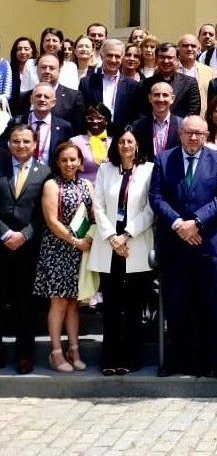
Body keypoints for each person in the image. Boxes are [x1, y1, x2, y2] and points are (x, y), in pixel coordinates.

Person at [149, 115, 217, 379]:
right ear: (180, 133)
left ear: (206, 135)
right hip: (175, 246)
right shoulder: (163, 159)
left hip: (208, 246)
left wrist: (196, 223)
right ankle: (177, 361)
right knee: (177, 306)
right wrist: (178, 225)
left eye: (199, 133)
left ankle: (212, 363)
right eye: (189, 133)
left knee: (212, 306)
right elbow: (156, 197)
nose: (194, 137)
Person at [90, 128, 154, 375]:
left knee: (134, 306)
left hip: (135, 244)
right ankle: (109, 359)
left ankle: (131, 358)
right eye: (121, 141)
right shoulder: (105, 170)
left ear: (137, 145)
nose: (125, 145)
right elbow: (98, 205)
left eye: (130, 141)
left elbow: (149, 208)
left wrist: (126, 235)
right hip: (109, 246)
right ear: (115, 145)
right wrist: (112, 238)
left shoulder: (148, 170)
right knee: (112, 307)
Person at [33, 141, 95, 373]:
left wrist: (89, 237)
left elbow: (92, 214)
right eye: (64, 160)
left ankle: (74, 350)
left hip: (80, 251)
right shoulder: (51, 185)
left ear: (80, 162)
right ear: (57, 163)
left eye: (73, 159)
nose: (69, 164)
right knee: (58, 302)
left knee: (73, 303)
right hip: (58, 249)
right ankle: (56, 352)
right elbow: (52, 221)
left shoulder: (87, 184)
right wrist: (74, 241)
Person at [0, 125, 52, 374]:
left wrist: (25, 234)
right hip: (0, 243)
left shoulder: (45, 173)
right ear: (9, 144)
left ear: (34, 145)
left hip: (29, 247)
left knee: (26, 304)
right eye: (16, 141)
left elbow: (46, 214)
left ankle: (25, 355)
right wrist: (6, 233)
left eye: (25, 142)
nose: (21, 146)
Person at [78, 39, 139, 135]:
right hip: (93, 137)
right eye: (109, 55)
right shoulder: (86, 83)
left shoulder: (132, 85)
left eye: (117, 56)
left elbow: (135, 115)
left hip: (120, 139)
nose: (113, 60)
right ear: (102, 56)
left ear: (122, 58)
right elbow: (81, 114)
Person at [5, 82, 74, 167]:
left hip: (50, 176)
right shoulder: (17, 122)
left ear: (53, 102)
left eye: (46, 97)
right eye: (38, 96)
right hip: (20, 172)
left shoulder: (65, 127)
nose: (42, 99)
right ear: (31, 99)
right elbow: (3, 147)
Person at [138, 42, 201, 118]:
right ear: (156, 59)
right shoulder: (144, 84)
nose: (166, 61)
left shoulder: (190, 83)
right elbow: (140, 112)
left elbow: (193, 112)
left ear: (177, 59)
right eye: (162, 57)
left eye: (170, 57)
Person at [130, 82, 182, 162]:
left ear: (172, 99)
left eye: (165, 95)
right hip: (146, 172)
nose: (161, 99)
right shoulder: (137, 126)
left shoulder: (182, 125)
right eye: (157, 95)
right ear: (150, 98)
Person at [69, 103, 113, 183]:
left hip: (108, 190)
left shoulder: (114, 143)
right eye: (90, 118)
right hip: (84, 190)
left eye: (99, 118)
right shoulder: (75, 142)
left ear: (106, 120)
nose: (95, 121)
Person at [176, 34, 214, 118]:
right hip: (175, 122)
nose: (189, 49)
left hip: (202, 122)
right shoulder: (170, 70)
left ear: (198, 49)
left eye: (193, 46)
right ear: (178, 48)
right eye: (185, 45)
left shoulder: (209, 72)